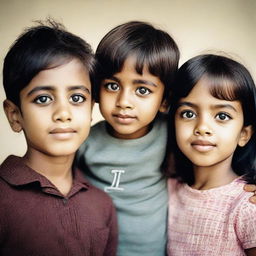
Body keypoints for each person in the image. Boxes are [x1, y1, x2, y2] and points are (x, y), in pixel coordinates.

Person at [0, 19, 117, 256]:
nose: (63, 114)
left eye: (77, 98)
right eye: (43, 99)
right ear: (14, 115)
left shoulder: (102, 204)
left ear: (91, 110)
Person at [75, 21, 180, 256]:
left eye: (142, 90)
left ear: (164, 100)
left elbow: (218, 154)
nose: (124, 101)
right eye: (112, 85)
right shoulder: (85, 140)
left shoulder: (171, 135)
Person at [166, 54, 256, 255]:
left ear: (244, 134)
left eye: (222, 116)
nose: (203, 127)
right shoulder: (168, 190)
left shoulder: (248, 207)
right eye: (188, 114)